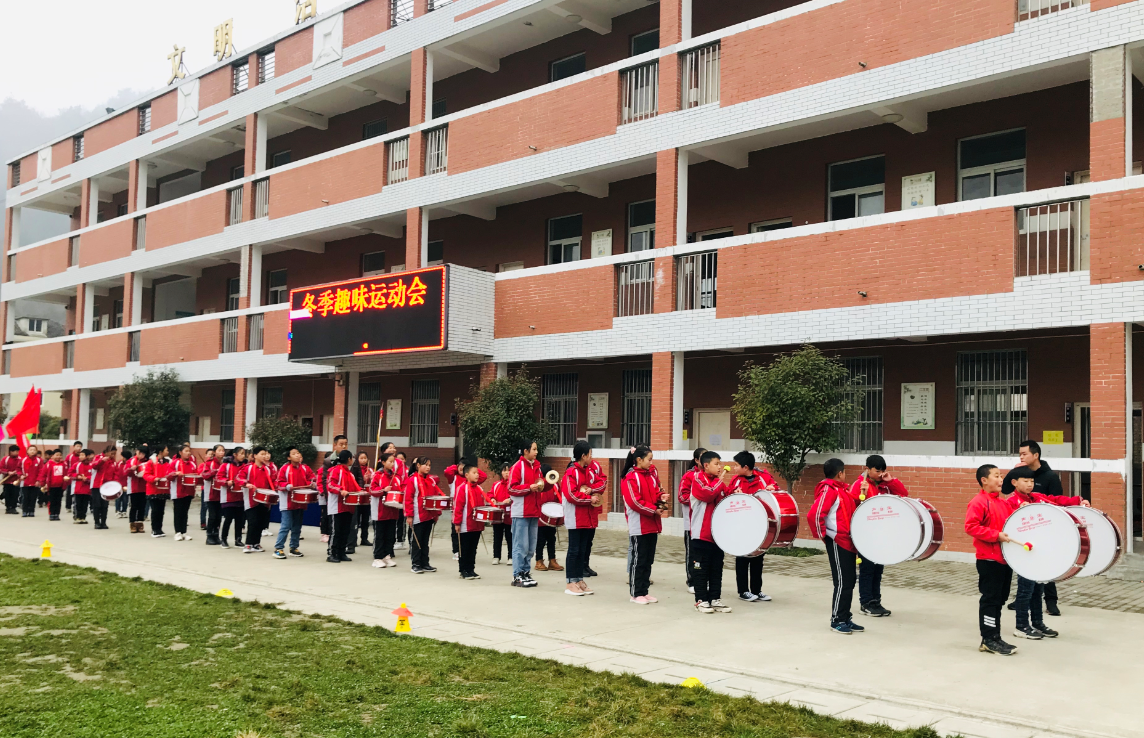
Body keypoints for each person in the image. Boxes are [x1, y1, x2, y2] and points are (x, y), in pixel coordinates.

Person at [1003, 466, 1085, 640]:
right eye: (1026, 481)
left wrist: (1078, 500)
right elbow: (1007, 524)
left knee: (1037, 590)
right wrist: (1018, 511)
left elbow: (1056, 501)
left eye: (1032, 481)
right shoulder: (1010, 502)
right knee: (1025, 591)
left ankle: (1038, 623)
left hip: (1040, 553)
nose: (1030, 484)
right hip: (1023, 553)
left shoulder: (1037, 498)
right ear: (1014, 483)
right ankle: (1021, 625)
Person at [965, 464, 1020, 656]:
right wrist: (996, 535)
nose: (1000, 479)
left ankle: (995, 636)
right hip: (989, 560)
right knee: (990, 600)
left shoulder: (1003, 502)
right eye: (996, 476)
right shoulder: (978, 502)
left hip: (1004, 560)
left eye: (1001, 475)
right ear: (984, 480)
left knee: (1000, 599)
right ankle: (988, 639)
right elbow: (971, 527)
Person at [808, 458, 865, 634]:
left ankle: (846, 617)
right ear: (840, 473)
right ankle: (837, 620)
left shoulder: (842, 491)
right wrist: (826, 536)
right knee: (842, 582)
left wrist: (861, 495)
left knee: (849, 581)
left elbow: (849, 507)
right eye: (844, 472)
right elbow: (814, 514)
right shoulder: (829, 490)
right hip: (837, 541)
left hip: (847, 541)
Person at [849, 454, 908, 617]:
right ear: (867, 469)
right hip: (865, 534)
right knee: (867, 569)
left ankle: (876, 601)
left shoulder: (884, 484)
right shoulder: (860, 485)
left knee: (878, 569)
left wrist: (891, 481)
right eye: (877, 471)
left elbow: (904, 494)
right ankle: (866, 602)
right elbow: (852, 505)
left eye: (883, 471)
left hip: (881, 534)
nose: (880, 474)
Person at [1013, 440, 1067, 617]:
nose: (1021, 456)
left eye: (1024, 454)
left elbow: (1057, 501)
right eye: (1020, 454)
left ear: (1035, 455)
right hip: (1026, 529)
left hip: (1046, 528)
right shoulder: (1020, 474)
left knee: (1046, 565)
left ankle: (1051, 601)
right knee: (1026, 564)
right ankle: (1023, 599)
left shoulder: (1050, 476)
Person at [688, 451, 735, 614]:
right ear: (706, 465)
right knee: (701, 569)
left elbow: (725, 496)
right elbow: (708, 494)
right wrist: (721, 481)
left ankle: (715, 598)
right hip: (701, 534)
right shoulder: (697, 479)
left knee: (716, 568)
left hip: (717, 534)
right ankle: (701, 600)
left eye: (720, 464)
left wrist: (735, 493)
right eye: (716, 464)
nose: (720, 467)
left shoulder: (717, 482)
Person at [729, 451, 779, 603]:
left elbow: (775, 489)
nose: (734, 468)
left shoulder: (763, 478)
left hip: (760, 524)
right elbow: (727, 495)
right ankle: (743, 590)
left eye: (736, 465)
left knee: (758, 557)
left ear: (745, 467)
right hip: (741, 525)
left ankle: (757, 590)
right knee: (742, 557)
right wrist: (733, 493)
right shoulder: (736, 481)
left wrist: (772, 489)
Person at [621, 446, 667, 605]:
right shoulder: (631, 478)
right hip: (639, 525)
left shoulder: (650, 475)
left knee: (648, 560)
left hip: (652, 523)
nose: (651, 462)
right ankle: (635, 593)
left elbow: (655, 493)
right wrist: (654, 509)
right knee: (638, 560)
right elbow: (634, 502)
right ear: (639, 460)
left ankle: (644, 591)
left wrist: (661, 497)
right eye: (649, 459)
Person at [561, 442, 606, 596]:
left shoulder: (588, 471)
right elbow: (571, 495)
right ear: (583, 456)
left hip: (587, 517)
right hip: (575, 517)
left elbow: (600, 482)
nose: (591, 457)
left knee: (582, 550)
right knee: (574, 550)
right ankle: (570, 581)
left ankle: (579, 579)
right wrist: (589, 498)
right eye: (590, 454)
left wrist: (592, 491)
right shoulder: (571, 473)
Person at [508, 441, 544, 588]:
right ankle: (517, 575)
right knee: (520, 545)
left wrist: (544, 484)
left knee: (530, 546)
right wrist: (529, 488)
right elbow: (512, 488)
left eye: (536, 449)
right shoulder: (517, 467)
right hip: (521, 512)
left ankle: (526, 572)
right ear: (525, 451)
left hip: (533, 511)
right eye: (534, 449)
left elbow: (540, 484)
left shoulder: (537, 467)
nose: (536, 452)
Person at [404, 456, 443, 573]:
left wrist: (437, 513)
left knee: (425, 541)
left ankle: (425, 563)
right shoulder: (412, 480)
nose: (428, 467)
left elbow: (436, 497)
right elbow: (408, 499)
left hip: (429, 515)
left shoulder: (431, 480)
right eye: (425, 465)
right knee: (417, 541)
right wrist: (409, 515)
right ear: (418, 466)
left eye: (429, 465)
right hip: (418, 515)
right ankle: (415, 564)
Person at [275, 446, 314, 559]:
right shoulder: (284, 469)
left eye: (298, 453)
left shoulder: (305, 468)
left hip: (300, 502)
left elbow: (312, 478)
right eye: (294, 453)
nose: (297, 455)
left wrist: (312, 483)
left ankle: (294, 548)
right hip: (287, 502)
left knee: (297, 527)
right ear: (288, 457)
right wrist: (287, 486)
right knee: (286, 526)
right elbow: (278, 483)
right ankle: (278, 548)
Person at [238, 446, 277, 554]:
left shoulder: (268, 469)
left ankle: (256, 543)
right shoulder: (248, 468)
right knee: (252, 522)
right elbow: (239, 478)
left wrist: (277, 488)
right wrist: (246, 483)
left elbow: (274, 481)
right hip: (251, 499)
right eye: (262, 454)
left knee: (261, 522)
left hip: (264, 500)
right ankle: (248, 544)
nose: (265, 456)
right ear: (255, 456)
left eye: (265, 454)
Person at [677, 448, 706, 594]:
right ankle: (692, 581)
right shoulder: (689, 476)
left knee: (705, 554)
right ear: (696, 460)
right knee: (692, 553)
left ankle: (703, 580)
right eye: (703, 457)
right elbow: (682, 497)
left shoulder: (711, 475)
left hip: (706, 523)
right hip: (692, 522)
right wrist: (700, 497)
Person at [452, 461, 487, 580]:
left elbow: (482, 505)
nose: (477, 475)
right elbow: (458, 507)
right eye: (474, 473)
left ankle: (471, 569)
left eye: (477, 473)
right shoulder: (462, 488)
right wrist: (457, 523)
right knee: (464, 548)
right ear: (466, 475)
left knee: (473, 548)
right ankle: (463, 570)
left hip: (476, 524)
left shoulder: (479, 488)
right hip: (465, 524)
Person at [369, 452, 402, 568]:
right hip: (380, 511)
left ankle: (387, 555)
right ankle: (377, 557)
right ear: (383, 462)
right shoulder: (377, 475)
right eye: (390, 461)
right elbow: (372, 490)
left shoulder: (396, 477)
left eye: (393, 462)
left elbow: (400, 490)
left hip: (393, 511)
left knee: (390, 535)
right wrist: (383, 490)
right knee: (380, 535)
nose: (392, 464)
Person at [319, 435, 349, 548]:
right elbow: (327, 482)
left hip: (348, 500)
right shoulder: (331, 466)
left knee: (346, 527)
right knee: (336, 527)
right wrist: (332, 494)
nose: (344, 446)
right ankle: (332, 552)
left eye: (346, 443)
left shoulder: (350, 464)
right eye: (341, 444)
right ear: (335, 445)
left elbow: (356, 479)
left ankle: (342, 551)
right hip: (336, 499)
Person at [534, 464, 563, 573]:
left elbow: (559, 499)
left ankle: (552, 560)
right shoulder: (539, 485)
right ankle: (539, 561)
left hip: (552, 518)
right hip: (540, 518)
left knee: (552, 539)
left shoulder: (555, 485)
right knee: (540, 540)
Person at [218, 448, 247, 548]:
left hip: (241, 496)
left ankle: (238, 539)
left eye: (244, 454)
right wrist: (226, 482)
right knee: (228, 519)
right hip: (228, 496)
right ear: (235, 454)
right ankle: (224, 539)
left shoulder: (245, 466)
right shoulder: (226, 465)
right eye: (241, 454)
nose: (243, 456)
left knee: (240, 520)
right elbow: (218, 478)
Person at [168, 445, 198, 541]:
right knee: (178, 512)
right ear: (180, 452)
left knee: (185, 512)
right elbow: (168, 476)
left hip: (188, 491)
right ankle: (177, 532)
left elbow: (196, 476)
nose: (188, 453)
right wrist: (175, 473)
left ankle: (184, 532)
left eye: (189, 451)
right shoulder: (175, 463)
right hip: (178, 491)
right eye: (186, 451)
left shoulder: (192, 464)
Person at [143, 446, 174, 537]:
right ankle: (154, 529)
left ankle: (159, 529)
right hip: (153, 489)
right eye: (166, 450)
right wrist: (154, 478)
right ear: (160, 452)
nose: (168, 452)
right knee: (155, 510)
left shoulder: (168, 462)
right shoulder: (151, 462)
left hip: (163, 489)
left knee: (161, 510)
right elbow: (146, 475)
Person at [200, 444, 226, 545]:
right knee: (212, 516)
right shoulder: (209, 463)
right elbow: (204, 475)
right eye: (219, 450)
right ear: (214, 452)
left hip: (221, 492)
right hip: (211, 493)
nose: (221, 452)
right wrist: (215, 471)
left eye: (223, 450)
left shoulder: (224, 463)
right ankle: (209, 535)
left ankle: (216, 535)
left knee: (219, 516)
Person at [487, 463, 513, 565]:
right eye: (504, 471)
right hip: (497, 515)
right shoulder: (496, 484)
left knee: (509, 536)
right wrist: (492, 498)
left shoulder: (513, 485)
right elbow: (490, 494)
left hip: (509, 515)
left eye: (508, 470)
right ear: (501, 472)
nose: (506, 473)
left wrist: (510, 499)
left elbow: (517, 495)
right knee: (497, 536)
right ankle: (496, 556)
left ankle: (511, 557)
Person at [88, 446, 117, 530]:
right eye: (111, 453)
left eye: (114, 454)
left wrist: (115, 484)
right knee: (97, 504)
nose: (113, 455)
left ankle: (103, 522)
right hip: (97, 485)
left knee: (105, 505)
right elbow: (94, 466)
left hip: (107, 486)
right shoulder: (98, 457)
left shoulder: (113, 462)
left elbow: (115, 474)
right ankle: (97, 522)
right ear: (107, 452)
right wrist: (101, 461)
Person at [350, 451, 373, 552]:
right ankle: (353, 540)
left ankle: (364, 538)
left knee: (365, 520)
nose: (363, 460)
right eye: (361, 458)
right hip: (358, 498)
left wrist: (372, 478)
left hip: (367, 498)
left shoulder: (371, 470)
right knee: (356, 520)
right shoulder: (355, 469)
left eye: (365, 458)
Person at [125, 446, 149, 533]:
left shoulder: (147, 462)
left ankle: (140, 523)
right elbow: (126, 472)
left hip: (144, 487)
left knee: (142, 506)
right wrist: (131, 469)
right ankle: (132, 523)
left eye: (143, 453)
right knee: (134, 506)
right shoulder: (131, 461)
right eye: (139, 453)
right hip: (134, 486)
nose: (141, 455)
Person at [40, 449, 67, 521]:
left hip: (60, 486)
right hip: (51, 486)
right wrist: (42, 483)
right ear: (52, 456)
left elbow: (67, 473)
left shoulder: (64, 464)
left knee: (58, 501)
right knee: (52, 501)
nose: (58, 457)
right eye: (57, 455)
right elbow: (43, 474)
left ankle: (57, 514)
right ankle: (51, 513)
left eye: (60, 455)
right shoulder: (48, 464)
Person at [66, 448, 92, 523]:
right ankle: (77, 517)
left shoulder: (91, 465)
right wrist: (77, 476)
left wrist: (87, 478)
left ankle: (83, 517)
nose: (80, 456)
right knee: (78, 504)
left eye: (82, 455)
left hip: (87, 489)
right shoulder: (76, 465)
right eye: (80, 455)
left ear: (87, 456)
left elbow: (93, 476)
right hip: (77, 488)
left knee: (85, 504)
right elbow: (70, 473)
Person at [19, 445, 43, 518]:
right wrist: (20, 475)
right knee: (25, 497)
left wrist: (38, 480)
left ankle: (31, 511)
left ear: (36, 451)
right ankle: (25, 511)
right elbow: (18, 469)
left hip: (35, 482)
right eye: (31, 450)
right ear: (27, 451)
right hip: (25, 482)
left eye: (34, 450)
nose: (32, 451)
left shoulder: (39, 460)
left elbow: (41, 471)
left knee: (33, 497)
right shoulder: (23, 460)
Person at [1, 445, 20, 514]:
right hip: (7, 481)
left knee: (15, 494)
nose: (16, 453)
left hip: (16, 481)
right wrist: (7, 472)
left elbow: (22, 469)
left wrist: (17, 472)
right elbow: (1, 468)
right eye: (15, 451)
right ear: (10, 452)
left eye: (17, 451)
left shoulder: (20, 459)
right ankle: (8, 507)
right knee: (7, 495)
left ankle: (13, 507)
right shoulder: (5, 459)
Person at [64, 441, 82, 512]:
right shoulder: (69, 456)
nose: (79, 448)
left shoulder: (82, 456)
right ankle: (68, 507)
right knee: (69, 493)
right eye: (77, 446)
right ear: (74, 447)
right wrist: (67, 476)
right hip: (71, 477)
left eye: (80, 446)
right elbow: (66, 466)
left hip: (80, 478)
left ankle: (77, 506)